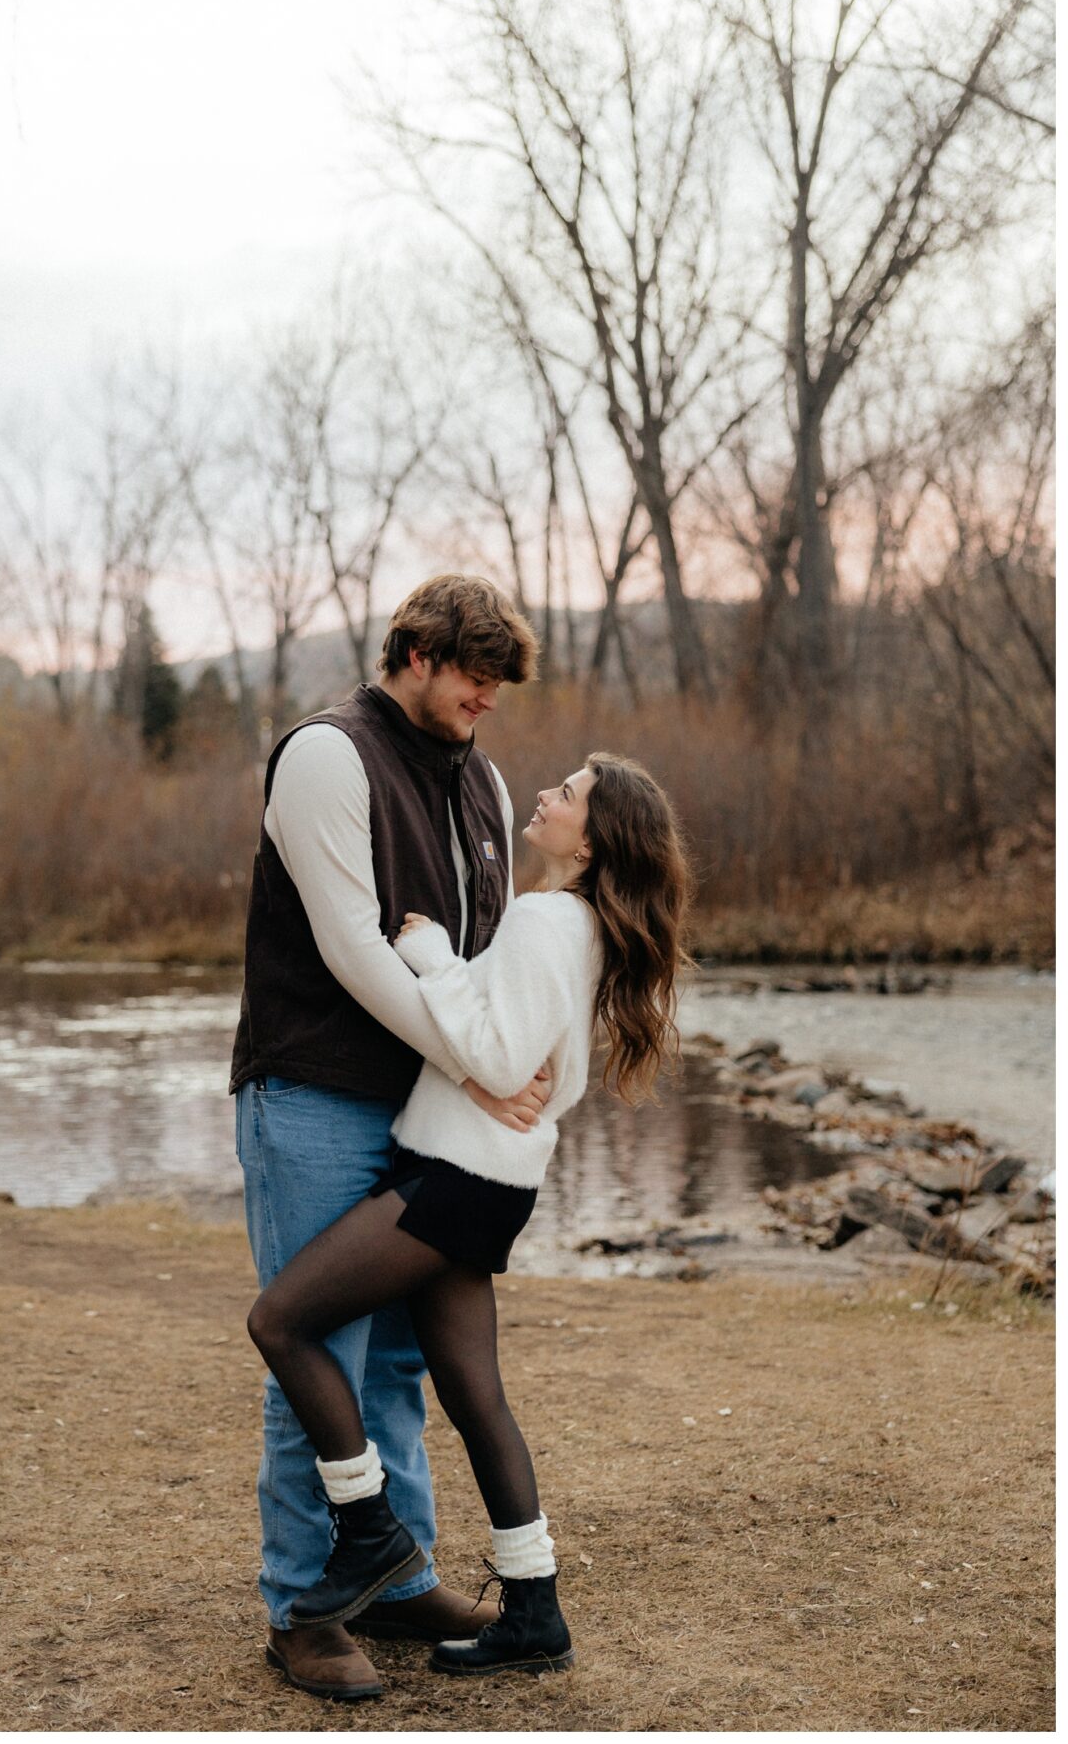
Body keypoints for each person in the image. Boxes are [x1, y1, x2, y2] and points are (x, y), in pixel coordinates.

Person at [246, 752, 691, 1681]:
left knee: (282, 1322)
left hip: (451, 1179)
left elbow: (495, 1056)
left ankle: (367, 1529)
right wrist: (466, 994)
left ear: (594, 838)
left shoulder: (541, 919)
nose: (544, 795)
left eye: (567, 795)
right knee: (472, 1392)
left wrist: (435, 957)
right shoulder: (585, 929)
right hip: (490, 1181)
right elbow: (522, 1060)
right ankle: (533, 1605)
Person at [226, 573, 556, 1702]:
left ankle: (400, 1577)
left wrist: (509, 1055)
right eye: (474, 675)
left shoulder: (484, 780)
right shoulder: (325, 754)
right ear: (412, 653)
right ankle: (303, 1607)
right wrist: (481, 1063)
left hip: (431, 1111)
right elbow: (358, 952)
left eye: (500, 682)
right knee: (319, 1343)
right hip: (313, 1091)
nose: (489, 699)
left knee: (406, 1360)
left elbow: (483, 956)